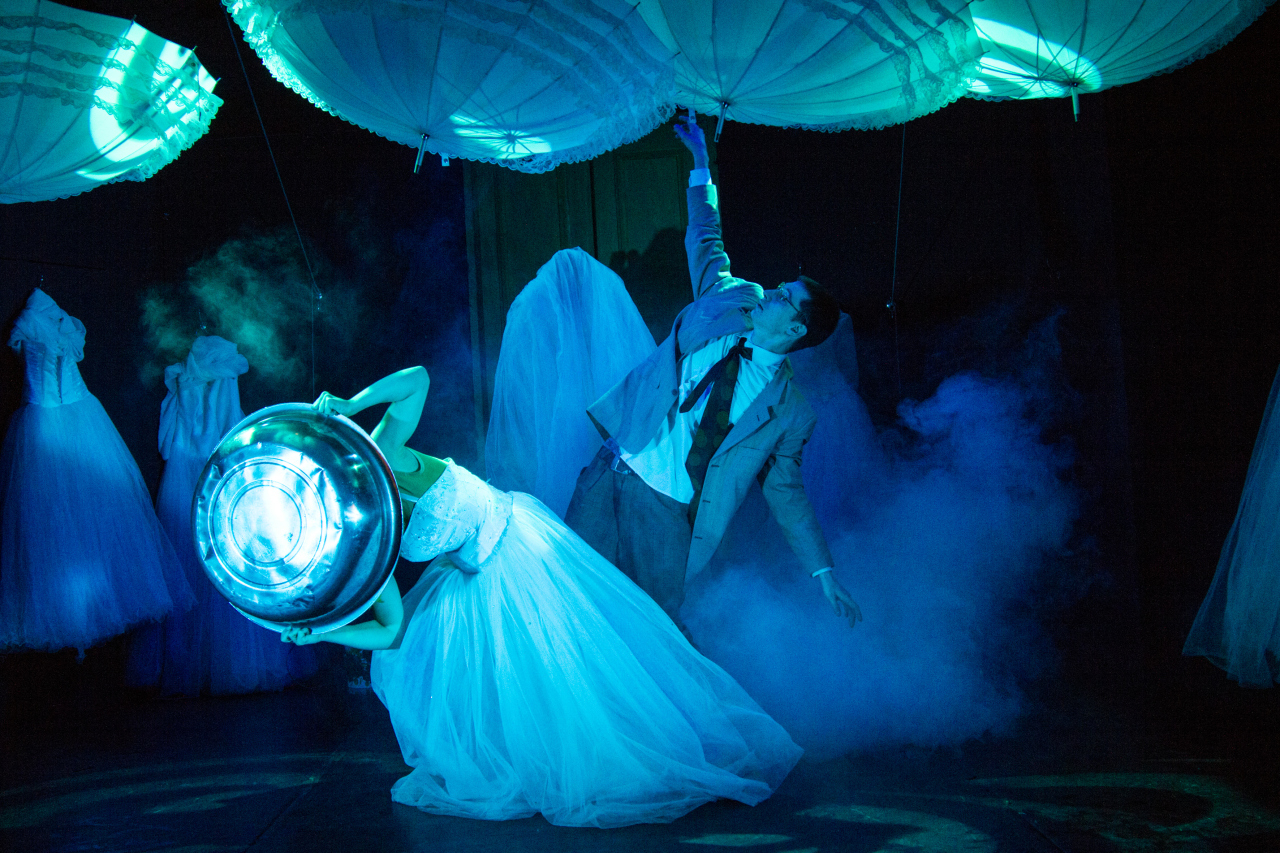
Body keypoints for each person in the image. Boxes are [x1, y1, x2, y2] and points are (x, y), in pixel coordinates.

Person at [282, 366, 802, 828]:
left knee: (573, 664)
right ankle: (555, 758)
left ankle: (628, 747)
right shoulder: (368, 535)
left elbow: (417, 378)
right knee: (519, 687)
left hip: (518, 542)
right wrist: (323, 631)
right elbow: (391, 629)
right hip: (473, 572)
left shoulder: (381, 453)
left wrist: (351, 404)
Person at [564, 110, 861, 630]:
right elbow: (705, 239)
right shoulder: (731, 296)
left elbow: (786, 492)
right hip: (612, 467)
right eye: (780, 287)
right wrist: (700, 161)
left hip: (665, 510)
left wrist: (824, 571)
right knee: (571, 595)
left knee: (649, 630)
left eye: (785, 298)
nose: (772, 292)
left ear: (795, 329)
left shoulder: (790, 412)